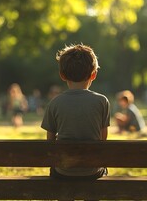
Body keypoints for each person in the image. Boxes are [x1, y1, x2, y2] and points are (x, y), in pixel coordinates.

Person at [41, 44, 110, 180]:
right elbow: (103, 138)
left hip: (63, 172)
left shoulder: (54, 103)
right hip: (92, 172)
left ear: (62, 75)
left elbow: (50, 142)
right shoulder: (102, 102)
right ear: (94, 74)